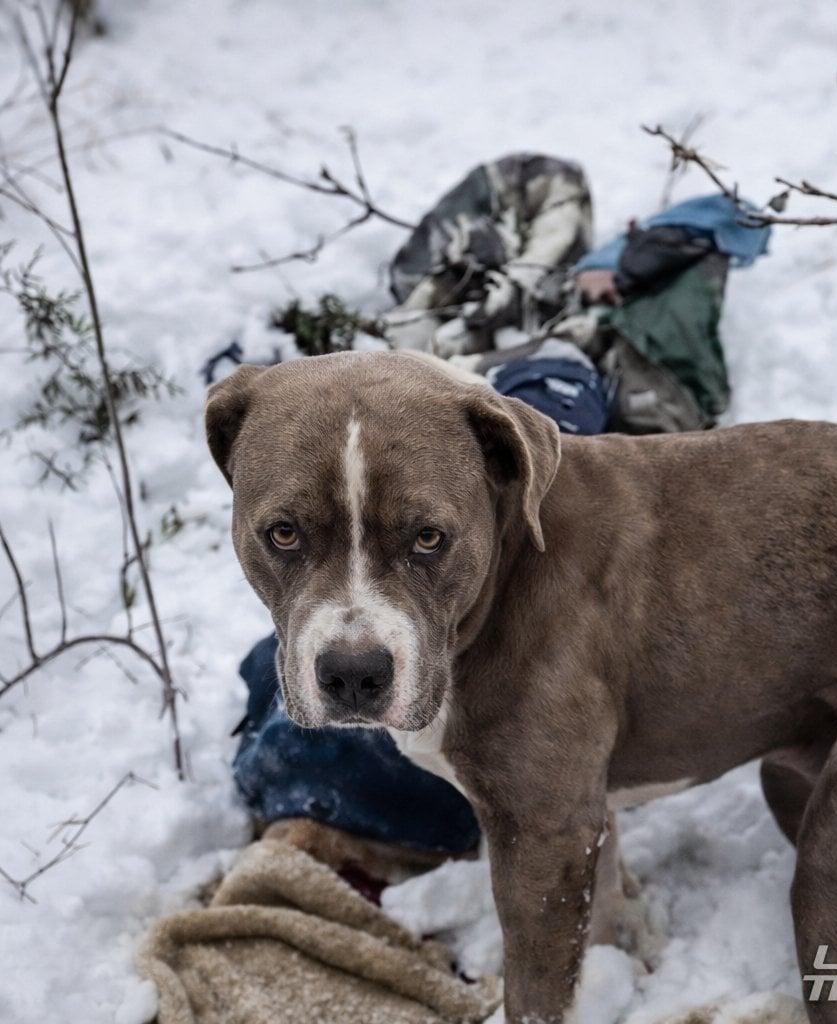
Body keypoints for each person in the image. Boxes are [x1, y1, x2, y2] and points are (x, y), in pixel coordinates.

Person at [229, 153, 771, 886]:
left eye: (423, 538)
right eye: (285, 534)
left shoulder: (543, 377)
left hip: (541, 398)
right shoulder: (344, 414)